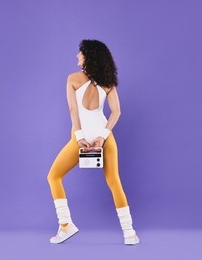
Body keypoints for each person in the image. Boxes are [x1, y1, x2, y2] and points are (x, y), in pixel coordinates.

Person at [47, 39, 140, 245]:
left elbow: (73, 111)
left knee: (54, 176)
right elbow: (116, 112)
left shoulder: (72, 78)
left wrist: (80, 137)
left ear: (88, 56)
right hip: (102, 136)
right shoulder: (108, 82)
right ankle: (129, 233)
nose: (77, 56)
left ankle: (66, 225)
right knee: (114, 181)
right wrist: (102, 136)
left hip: (80, 137)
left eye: (80, 53)